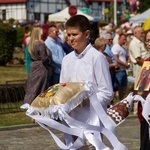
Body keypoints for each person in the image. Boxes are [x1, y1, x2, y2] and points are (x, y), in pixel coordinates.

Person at [60, 15, 113, 149]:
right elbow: (62, 89)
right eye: (69, 35)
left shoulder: (97, 58)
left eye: (75, 34)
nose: (71, 38)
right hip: (71, 123)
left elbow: (107, 93)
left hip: (91, 123)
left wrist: (83, 101)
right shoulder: (66, 60)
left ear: (87, 34)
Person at [24, 27, 50, 104]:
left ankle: (28, 103)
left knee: (32, 87)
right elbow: (44, 58)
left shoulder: (30, 44)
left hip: (33, 66)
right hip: (41, 67)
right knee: (41, 87)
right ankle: (38, 104)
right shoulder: (40, 44)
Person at [129, 26, 150, 114]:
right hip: (140, 68)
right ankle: (135, 110)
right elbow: (141, 90)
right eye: (147, 40)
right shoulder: (134, 43)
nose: (148, 43)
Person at [137, 30, 150, 150]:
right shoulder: (147, 62)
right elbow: (141, 88)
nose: (149, 43)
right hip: (146, 111)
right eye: (147, 40)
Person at [111, 34, 130, 101]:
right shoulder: (115, 47)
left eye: (125, 39)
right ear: (119, 39)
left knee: (122, 88)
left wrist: (128, 63)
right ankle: (111, 102)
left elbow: (127, 57)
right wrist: (125, 64)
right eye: (123, 39)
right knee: (115, 87)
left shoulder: (124, 48)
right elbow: (116, 59)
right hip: (118, 70)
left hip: (124, 70)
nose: (125, 41)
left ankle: (121, 101)